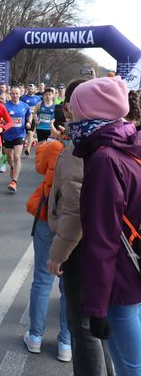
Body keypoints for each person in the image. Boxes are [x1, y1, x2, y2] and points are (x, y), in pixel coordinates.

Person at [69, 76, 141, 375]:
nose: (71, 117)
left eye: (75, 111)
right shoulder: (130, 142)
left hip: (121, 283)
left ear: (90, 113)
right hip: (136, 271)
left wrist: (97, 307)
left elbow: (102, 240)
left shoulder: (103, 159)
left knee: (129, 368)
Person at [46, 79, 114, 375]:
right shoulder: (115, 134)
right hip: (107, 246)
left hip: (84, 248)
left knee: (83, 327)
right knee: (101, 324)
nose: (67, 110)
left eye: (71, 104)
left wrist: (57, 254)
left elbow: (74, 207)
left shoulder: (86, 143)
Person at [24, 138, 72, 362]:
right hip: (76, 227)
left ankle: (35, 336)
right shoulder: (98, 150)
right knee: (69, 286)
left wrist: (47, 142)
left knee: (42, 280)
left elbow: (40, 167)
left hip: (48, 217)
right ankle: (66, 342)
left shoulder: (56, 147)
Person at [2, 85, 32, 193]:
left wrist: (28, 122)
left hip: (20, 134)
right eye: (13, 93)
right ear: (10, 94)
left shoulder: (25, 105)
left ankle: (14, 181)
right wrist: (2, 123)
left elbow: (29, 115)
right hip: (7, 135)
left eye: (17, 93)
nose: (15, 95)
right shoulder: (5, 106)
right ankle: (12, 167)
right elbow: (0, 118)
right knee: (10, 158)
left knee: (17, 156)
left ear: (20, 94)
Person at [21, 83, 42, 155]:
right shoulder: (23, 98)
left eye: (32, 89)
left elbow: (39, 108)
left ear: (34, 90)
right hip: (24, 117)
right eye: (29, 89)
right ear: (27, 89)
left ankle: (28, 148)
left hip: (33, 117)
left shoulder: (37, 98)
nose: (30, 90)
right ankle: (23, 143)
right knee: (25, 133)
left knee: (30, 132)